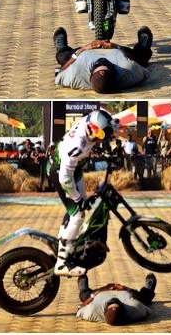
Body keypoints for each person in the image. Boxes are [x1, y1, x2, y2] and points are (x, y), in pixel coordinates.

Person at [46, 109, 117, 276]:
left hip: (74, 170)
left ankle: (62, 242)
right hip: (61, 174)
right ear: (92, 129)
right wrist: (76, 198)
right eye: (100, 136)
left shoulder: (91, 122)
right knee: (78, 214)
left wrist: (108, 151)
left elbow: (105, 126)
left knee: (81, 209)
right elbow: (64, 178)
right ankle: (62, 263)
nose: (102, 139)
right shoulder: (77, 145)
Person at [53, 26, 152, 93]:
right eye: (107, 65)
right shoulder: (128, 72)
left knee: (64, 58)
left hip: (86, 52)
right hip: (114, 51)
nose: (102, 61)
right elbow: (142, 69)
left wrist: (84, 49)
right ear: (114, 73)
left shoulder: (75, 75)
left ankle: (62, 47)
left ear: (91, 74)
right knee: (141, 58)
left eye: (98, 66)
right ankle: (143, 46)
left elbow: (62, 71)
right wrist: (115, 46)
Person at [76, 273, 157, 325]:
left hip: (100, 293)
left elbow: (81, 306)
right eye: (116, 303)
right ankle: (148, 287)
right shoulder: (135, 309)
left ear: (105, 311)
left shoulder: (91, 311)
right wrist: (124, 288)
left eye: (110, 304)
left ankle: (83, 285)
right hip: (123, 291)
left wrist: (102, 289)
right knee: (145, 298)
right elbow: (147, 310)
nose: (113, 300)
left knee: (84, 296)